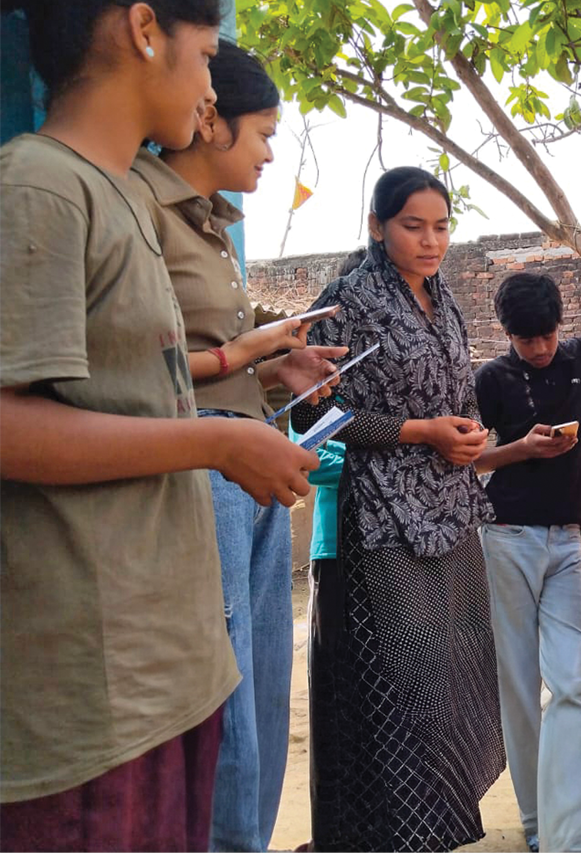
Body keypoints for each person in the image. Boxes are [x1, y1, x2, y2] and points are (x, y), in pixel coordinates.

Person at [0, 2, 317, 850]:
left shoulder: (120, 197)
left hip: (167, 666)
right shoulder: (38, 185)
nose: (212, 86)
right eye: (209, 55)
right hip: (98, 693)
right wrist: (215, 439)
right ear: (145, 29)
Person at [128, 41, 346, 852]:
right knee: (221, 706)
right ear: (208, 116)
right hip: (196, 476)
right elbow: (127, 368)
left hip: (247, 472)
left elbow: (216, 353)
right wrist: (236, 358)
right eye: (262, 132)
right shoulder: (134, 208)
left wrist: (274, 365)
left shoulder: (213, 226)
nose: (268, 153)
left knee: (258, 694)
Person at [291, 167, 505, 851]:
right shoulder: (346, 301)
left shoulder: (445, 301)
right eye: (413, 225)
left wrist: (467, 436)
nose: (430, 239)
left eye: (441, 226)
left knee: (453, 683)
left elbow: (457, 396)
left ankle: (435, 835)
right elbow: (315, 417)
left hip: (451, 518)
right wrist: (420, 432)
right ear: (379, 226)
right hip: (381, 525)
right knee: (399, 695)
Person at [474, 272, 581, 853]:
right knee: (521, 689)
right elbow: (474, 461)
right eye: (528, 340)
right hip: (506, 538)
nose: (541, 348)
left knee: (575, 686)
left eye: (548, 336)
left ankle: (570, 837)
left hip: (565, 542)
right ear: (508, 334)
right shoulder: (491, 378)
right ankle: (536, 826)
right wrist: (521, 450)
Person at [293, 247, 364, 853]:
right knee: (337, 701)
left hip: (400, 551)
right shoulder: (325, 377)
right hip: (338, 548)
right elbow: (311, 455)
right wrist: (389, 452)